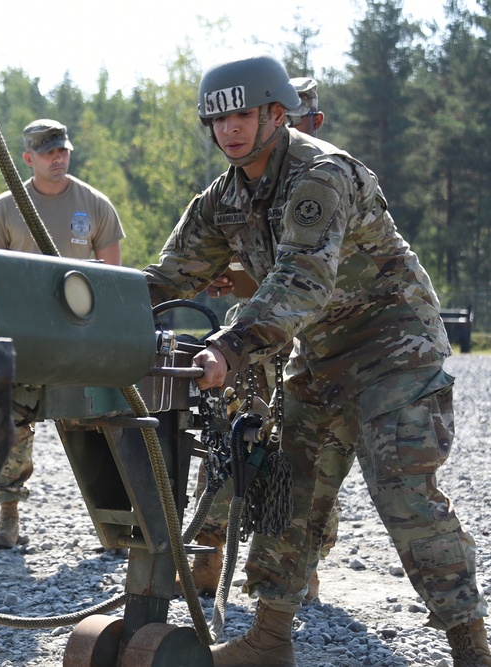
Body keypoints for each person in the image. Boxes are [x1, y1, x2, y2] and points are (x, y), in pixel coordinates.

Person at [142, 55, 490, 667]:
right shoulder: (223, 198)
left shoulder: (321, 175)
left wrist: (230, 345)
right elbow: (167, 279)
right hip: (322, 355)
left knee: (403, 490)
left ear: (277, 113)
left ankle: (471, 646)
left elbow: (302, 281)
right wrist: (83, 309)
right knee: (289, 491)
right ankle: (270, 640)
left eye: (244, 116)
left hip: (394, 348)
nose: (230, 131)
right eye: (218, 121)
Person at [190, 77, 338, 604]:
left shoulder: (324, 179)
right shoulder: (237, 187)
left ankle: (301, 569)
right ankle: (206, 554)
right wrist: (229, 275)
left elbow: (308, 277)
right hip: (253, 338)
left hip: (314, 338)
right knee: (227, 437)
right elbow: (249, 265)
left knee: (307, 454)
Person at [0, 118, 124, 548]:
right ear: (28, 159)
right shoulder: (6, 207)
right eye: (47, 153)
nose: (57, 158)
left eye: (62, 150)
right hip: (25, 340)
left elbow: (113, 279)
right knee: (12, 422)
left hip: (81, 337)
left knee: (109, 424)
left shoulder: (95, 205)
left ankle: (118, 524)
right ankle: (9, 516)